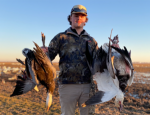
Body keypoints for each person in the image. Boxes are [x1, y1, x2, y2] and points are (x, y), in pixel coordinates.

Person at [41, 5, 98, 115]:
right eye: (76, 15)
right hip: (67, 86)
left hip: (88, 86)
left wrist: (113, 51)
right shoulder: (61, 37)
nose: (79, 18)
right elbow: (48, 58)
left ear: (86, 19)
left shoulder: (91, 41)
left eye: (82, 16)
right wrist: (43, 54)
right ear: (70, 18)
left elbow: (99, 62)